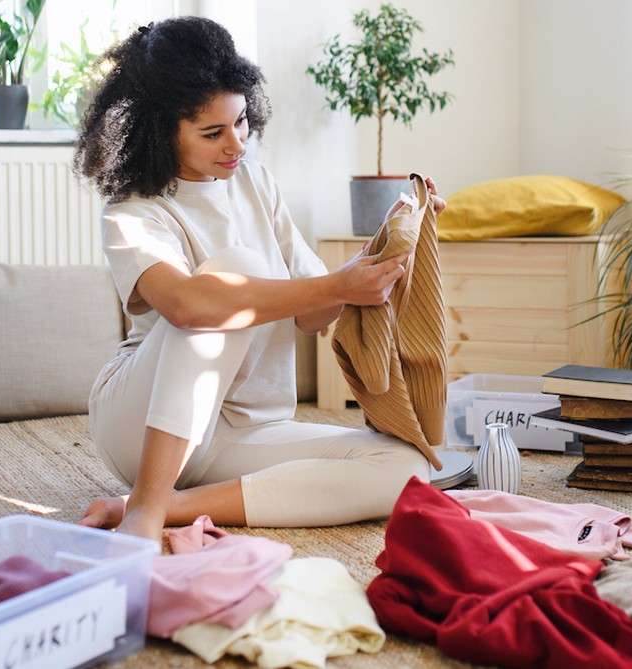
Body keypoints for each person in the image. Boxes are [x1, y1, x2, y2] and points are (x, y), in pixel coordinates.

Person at [72, 16, 445, 542]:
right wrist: (337, 286)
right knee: (234, 273)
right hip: (142, 427)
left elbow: (314, 311)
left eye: (242, 121)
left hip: (248, 429)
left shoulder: (256, 183)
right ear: (160, 131)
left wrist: (385, 248)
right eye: (213, 132)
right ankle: (146, 507)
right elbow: (187, 306)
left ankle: (170, 506)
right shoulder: (132, 211)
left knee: (408, 469)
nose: (237, 144)